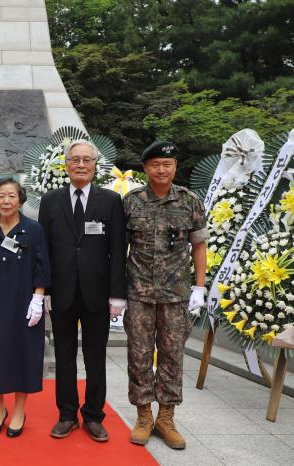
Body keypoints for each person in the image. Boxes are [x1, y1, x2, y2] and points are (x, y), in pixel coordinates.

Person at [38, 140, 127, 442]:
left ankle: (93, 415)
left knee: (95, 356)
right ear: (65, 164)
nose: (80, 165)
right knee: (64, 355)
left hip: (97, 293)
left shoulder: (111, 200)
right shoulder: (51, 201)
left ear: (94, 165)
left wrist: (117, 294)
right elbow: (44, 250)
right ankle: (66, 414)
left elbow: (117, 249)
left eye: (86, 160)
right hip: (61, 291)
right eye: (74, 159)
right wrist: (44, 290)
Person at [123, 141, 207, 450]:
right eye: (155, 164)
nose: (161, 170)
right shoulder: (131, 202)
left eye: (167, 164)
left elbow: (199, 245)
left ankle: (166, 418)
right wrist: (117, 292)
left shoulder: (189, 201)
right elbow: (120, 249)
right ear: (145, 168)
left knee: (172, 357)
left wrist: (199, 287)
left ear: (175, 167)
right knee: (139, 356)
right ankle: (144, 416)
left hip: (176, 295)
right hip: (139, 294)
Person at [0, 178, 51, 437]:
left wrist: (38, 299)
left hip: (25, 304)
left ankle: (19, 409)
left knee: (25, 356)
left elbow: (43, 266)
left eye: (11, 196)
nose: (6, 201)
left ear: (20, 199)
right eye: (1, 196)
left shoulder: (34, 229)